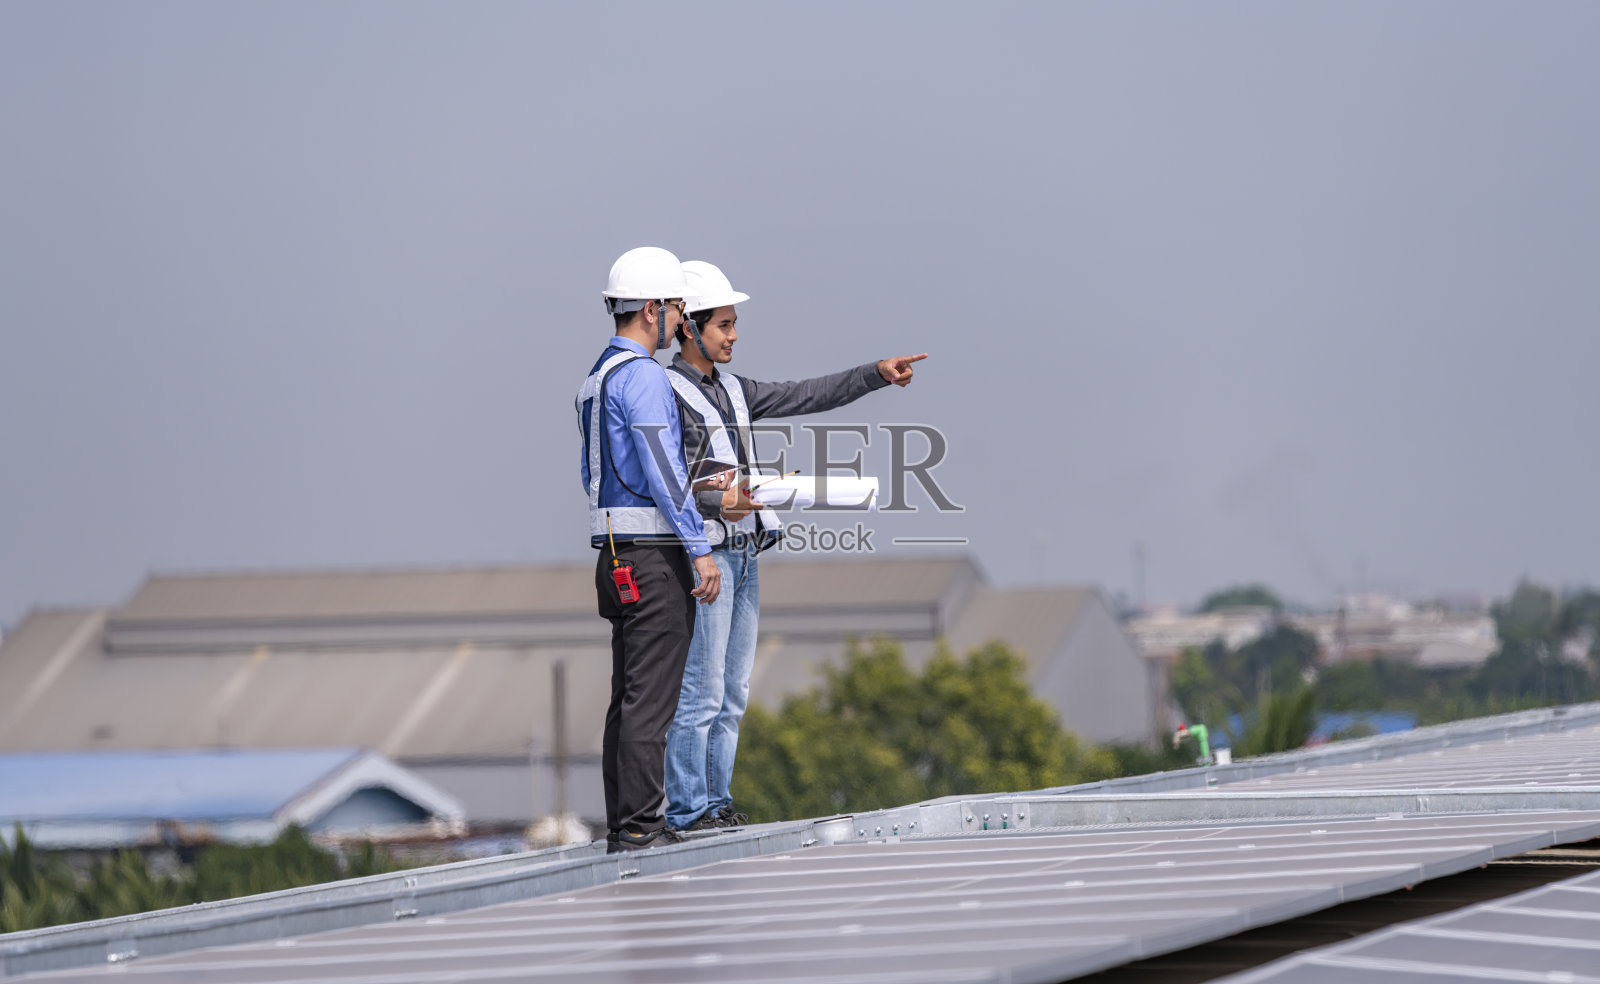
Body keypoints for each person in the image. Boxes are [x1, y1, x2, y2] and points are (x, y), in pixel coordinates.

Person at [662, 259, 926, 831]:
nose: (733, 336)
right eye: (724, 325)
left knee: (732, 692)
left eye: (734, 325)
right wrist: (720, 500)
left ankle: (716, 802)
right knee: (702, 693)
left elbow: (806, 394)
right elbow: (670, 482)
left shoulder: (734, 390)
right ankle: (687, 810)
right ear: (689, 326)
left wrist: (875, 374)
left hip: (746, 554)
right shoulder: (666, 391)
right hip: (706, 558)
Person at [576, 246, 723, 853]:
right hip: (650, 555)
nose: (679, 324)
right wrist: (700, 548)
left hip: (613, 554)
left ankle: (626, 823)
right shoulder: (642, 377)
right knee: (652, 698)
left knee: (629, 695)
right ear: (654, 309)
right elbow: (664, 467)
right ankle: (641, 826)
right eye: (677, 311)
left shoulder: (597, 377)